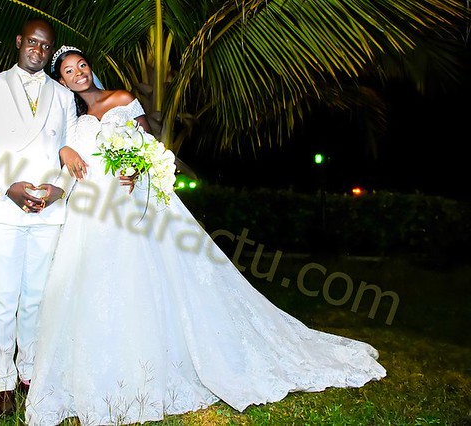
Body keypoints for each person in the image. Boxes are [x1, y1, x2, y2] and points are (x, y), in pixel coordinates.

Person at [25, 47, 386, 426]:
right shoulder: (73, 120)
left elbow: (149, 142)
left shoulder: (123, 98)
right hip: (92, 212)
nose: (79, 73)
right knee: (93, 289)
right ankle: (106, 371)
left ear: (89, 68)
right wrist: (65, 149)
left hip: (133, 202)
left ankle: (167, 363)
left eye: (82, 65)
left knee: (151, 281)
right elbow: (62, 160)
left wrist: (135, 165)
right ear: (62, 80)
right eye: (69, 71)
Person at [0, 19, 82, 417]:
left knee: (35, 297)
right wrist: (6, 186)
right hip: (4, 205)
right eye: (32, 42)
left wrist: (60, 189)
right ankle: (3, 381)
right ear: (19, 42)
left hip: (48, 210)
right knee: (4, 297)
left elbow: (71, 149)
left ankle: (30, 372)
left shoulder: (64, 97)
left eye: (46, 47)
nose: (38, 51)